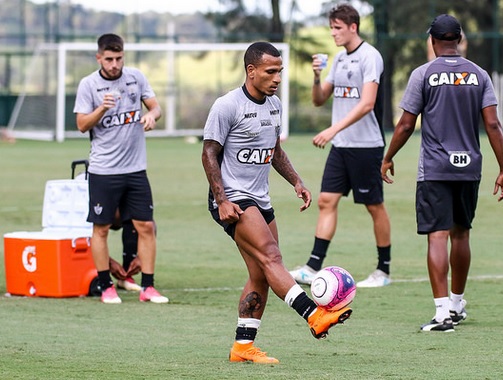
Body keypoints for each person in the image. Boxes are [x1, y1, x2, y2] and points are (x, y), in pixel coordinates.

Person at [202, 41, 352, 364]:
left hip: (260, 198)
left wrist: (296, 180)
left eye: (280, 71)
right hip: (234, 200)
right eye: (271, 72)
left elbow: (275, 152)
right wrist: (221, 199)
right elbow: (209, 154)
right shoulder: (227, 106)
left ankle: (242, 347)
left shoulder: (274, 105)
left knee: (262, 273)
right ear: (251, 71)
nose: (277, 78)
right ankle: (315, 316)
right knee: (272, 257)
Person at [381, 14, 503, 331]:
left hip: (435, 168)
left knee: (437, 236)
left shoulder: (423, 74)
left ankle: (442, 315)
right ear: (460, 40)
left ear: (434, 41)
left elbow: (407, 124)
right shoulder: (479, 75)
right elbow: (492, 124)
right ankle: (456, 304)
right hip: (470, 168)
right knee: (461, 233)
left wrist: (388, 157)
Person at [289, 3, 392, 288]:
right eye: (331, 28)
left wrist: (332, 129)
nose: (333, 33)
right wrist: (316, 76)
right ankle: (312, 267)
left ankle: (383, 271)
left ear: (353, 27)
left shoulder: (370, 57)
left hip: (366, 146)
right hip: (342, 147)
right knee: (326, 201)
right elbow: (319, 99)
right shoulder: (340, 59)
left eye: (337, 28)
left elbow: (367, 102)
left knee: (374, 206)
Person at [73, 33, 168, 304]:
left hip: (136, 169)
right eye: (109, 59)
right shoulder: (89, 85)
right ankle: (106, 286)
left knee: (146, 226)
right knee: (101, 228)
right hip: (104, 170)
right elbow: (81, 125)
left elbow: (156, 107)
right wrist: (101, 109)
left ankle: (148, 287)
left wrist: (151, 115)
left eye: (119, 58)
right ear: (99, 58)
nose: (115, 64)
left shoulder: (135, 78)